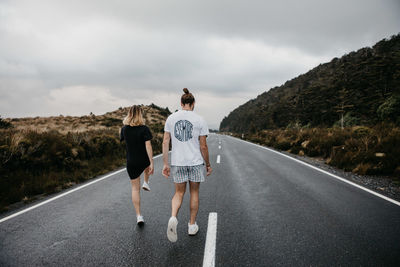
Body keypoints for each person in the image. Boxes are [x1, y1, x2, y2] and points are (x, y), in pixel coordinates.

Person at [162, 88, 212, 242]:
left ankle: (173, 217)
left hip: (178, 162)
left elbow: (165, 141)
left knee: (178, 193)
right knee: (194, 193)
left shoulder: (171, 118)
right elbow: (203, 146)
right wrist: (208, 164)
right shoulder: (200, 119)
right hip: (195, 162)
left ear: (181, 103)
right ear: (193, 103)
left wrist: (165, 164)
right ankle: (191, 225)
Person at [120, 105, 154, 226]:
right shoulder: (144, 129)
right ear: (140, 115)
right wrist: (151, 162)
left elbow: (122, 140)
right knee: (146, 165)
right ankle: (146, 181)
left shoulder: (124, 129)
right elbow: (148, 146)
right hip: (143, 159)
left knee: (135, 189)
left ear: (129, 114)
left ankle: (139, 216)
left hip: (131, 161)